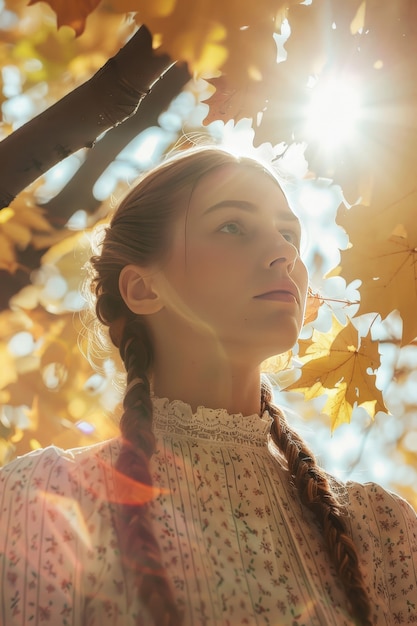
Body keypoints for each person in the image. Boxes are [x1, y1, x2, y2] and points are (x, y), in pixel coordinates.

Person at [0, 146, 416, 626]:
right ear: (143, 289)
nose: (284, 251)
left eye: (288, 234)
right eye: (232, 227)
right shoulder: (44, 499)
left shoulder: (383, 531)